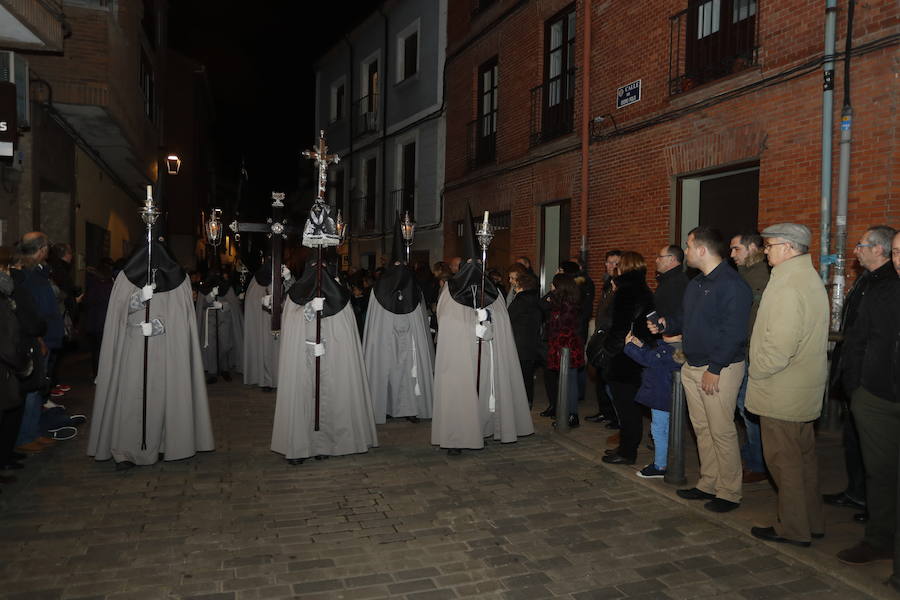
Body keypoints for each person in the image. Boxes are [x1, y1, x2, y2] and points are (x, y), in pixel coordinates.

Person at [88, 237, 214, 469]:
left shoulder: (180, 280)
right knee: (130, 397)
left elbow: (182, 320)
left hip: (167, 350)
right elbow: (117, 313)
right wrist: (137, 300)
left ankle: (167, 443)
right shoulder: (126, 278)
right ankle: (125, 450)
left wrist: (160, 327)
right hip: (133, 346)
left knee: (167, 396)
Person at [656, 226, 751, 513]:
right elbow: (686, 319)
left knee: (721, 430)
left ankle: (729, 491)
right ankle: (708, 482)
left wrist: (716, 367)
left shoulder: (732, 285)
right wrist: (666, 325)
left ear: (701, 249)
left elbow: (734, 332)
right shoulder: (696, 283)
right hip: (693, 365)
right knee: (702, 429)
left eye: (688, 245)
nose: (685, 251)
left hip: (718, 368)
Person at [745, 224, 828, 547]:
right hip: (802, 389)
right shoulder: (807, 279)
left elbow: (778, 347)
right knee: (804, 460)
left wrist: (758, 371)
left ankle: (793, 528)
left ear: (790, 248)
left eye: (770, 245)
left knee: (784, 463)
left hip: (781, 390)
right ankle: (812, 522)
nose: (765, 251)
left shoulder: (787, 286)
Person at [431, 209, 533, 454]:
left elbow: (502, 323)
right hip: (460, 357)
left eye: (478, 263)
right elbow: (446, 321)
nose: (473, 267)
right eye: (469, 263)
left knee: (486, 389)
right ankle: (457, 437)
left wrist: (487, 321)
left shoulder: (492, 290)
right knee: (460, 392)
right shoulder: (450, 291)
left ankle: (484, 427)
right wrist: (469, 327)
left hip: (486, 354)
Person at [271, 253, 377, 464]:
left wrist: (330, 347)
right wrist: (309, 310)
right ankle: (299, 447)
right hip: (302, 357)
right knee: (302, 401)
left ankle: (326, 445)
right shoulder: (295, 295)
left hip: (332, 359)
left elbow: (346, 333)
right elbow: (290, 323)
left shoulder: (340, 296)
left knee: (331, 400)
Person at [834, 232, 900, 567]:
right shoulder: (879, 290)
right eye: (899, 253)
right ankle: (879, 539)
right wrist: (855, 389)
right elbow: (857, 340)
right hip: (876, 396)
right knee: (880, 472)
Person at [362, 222, 435, 424]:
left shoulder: (414, 288)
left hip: (410, 341)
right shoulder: (379, 289)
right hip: (387, 341)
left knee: (410, 372)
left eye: (402, 267)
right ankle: (384, 406)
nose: (399, 271)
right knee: (385, 369)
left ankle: (412, 408)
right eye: (396, 266)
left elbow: (419, 317)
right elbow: (375, 322)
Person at [599, 251, 654, 466]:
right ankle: (625, 447)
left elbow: (620, 327)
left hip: (624, 357)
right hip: (636, 354)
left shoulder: (626, 291)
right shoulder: (643, 289)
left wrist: (608, 352)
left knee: (626, 407)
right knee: (629, 406)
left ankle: (627, 452)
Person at [730, 232, 770, 484]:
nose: (732, 255)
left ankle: (758, 463)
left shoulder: (763, 277)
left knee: (749, 410)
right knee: (743, 409)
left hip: (753, 354)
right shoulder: (742, 275)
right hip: (741, 352)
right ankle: (752, 454)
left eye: (736, 249)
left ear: (753, 247)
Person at [623, 330, 681, 478]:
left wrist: (629, 346)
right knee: (666, 429)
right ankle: (666, 461)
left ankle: (660, 465)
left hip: (660, 397)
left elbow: (648, 359)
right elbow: (653, 356)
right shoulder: (679, 348)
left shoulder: (668, 350)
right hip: (667, 397)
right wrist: (640, 344)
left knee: (659, 431)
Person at [543, 273, 585, 428]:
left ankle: (572, 415)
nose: (550, 287)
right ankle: (567, 414)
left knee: (569, 381)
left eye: (553, 284)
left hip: (567, 347)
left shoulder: (566, 305)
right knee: (566, 381)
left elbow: (561, 326)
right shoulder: (565, 302)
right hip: (564, 345)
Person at [587, 250, 622, 426]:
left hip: (611, 338)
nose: (610, 266)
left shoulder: (621, 286)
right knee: (600, 378)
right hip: (601, 336)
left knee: (611, 380)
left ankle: (616, 417)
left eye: (615, 263)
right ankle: (605, 412)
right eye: (608, 262)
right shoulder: (607, 283)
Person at [242, 260, 287, 392]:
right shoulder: (257, 283)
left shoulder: (263, 281)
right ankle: (267, 380)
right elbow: (252, 303)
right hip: (264, 324)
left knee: (271, 351)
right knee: (266, 350)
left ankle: (273, 379)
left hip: (272, 323)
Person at [195, 271, 244, 384]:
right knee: (211, 346)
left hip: (225, 321)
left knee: (225, 345)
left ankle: (224, 369)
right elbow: (201, 305)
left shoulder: (227, 288)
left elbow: (234, 305)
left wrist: (223, 305)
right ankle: (212, 372)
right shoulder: (204, 288)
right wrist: (211, 295)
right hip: (210, 321)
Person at [507, 269, 543, 409]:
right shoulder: (535, 299)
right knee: (527, 376)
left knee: (518, 376)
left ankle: (520, 406)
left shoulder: (521, 300)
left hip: (519, 343)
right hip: (531, 343)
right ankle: (527, 403)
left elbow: (508, 318)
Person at [82, 258, 115, 378]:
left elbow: (87, 301)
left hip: (92, 322)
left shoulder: (92, 283)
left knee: (95, 351)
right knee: (104, 350)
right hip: (105, 322)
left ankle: (97, 374)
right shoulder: (110, 285)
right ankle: (103, 374)